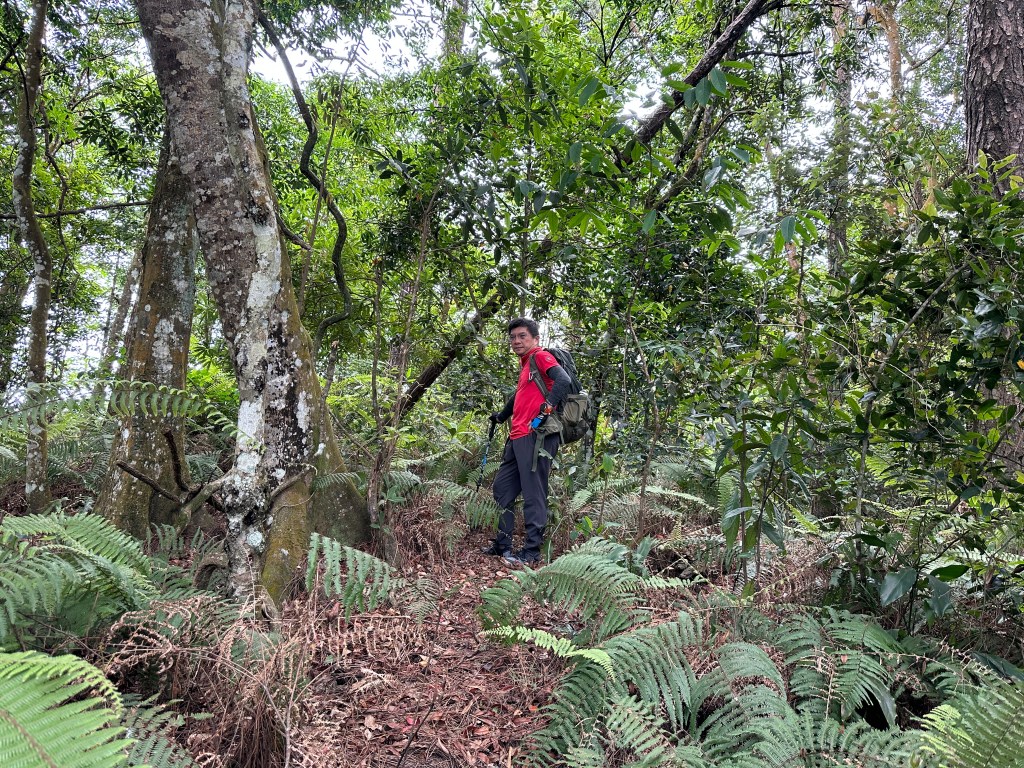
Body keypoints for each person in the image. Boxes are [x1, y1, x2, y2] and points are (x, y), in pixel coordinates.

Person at [483, 318, 572, 565]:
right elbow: (519, 396)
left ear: (535, 338)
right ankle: (503, 545)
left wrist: (545, 410)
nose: (516, 341)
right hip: (517, 436)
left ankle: (531, 551)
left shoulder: (540, 356)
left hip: (536, 435)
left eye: (522, 336)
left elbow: (563, 380)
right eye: (512, 337)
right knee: (502, 488)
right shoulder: (526, 366)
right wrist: (501, 416)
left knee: (534, 493)